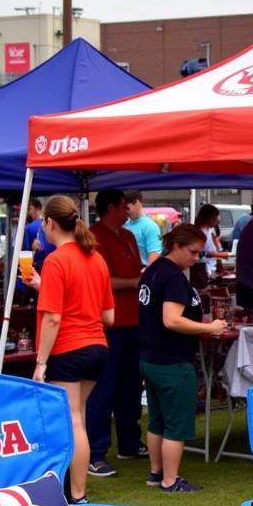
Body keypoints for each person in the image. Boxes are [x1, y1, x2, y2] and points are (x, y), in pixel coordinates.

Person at [30, 195, 115, 506]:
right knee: (74, 418)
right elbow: (109, 316)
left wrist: (41, 362)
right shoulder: (96, 258)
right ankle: (71, 489)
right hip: (97, 348)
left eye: (43, 224)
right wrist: (44, 287)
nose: (42, 229)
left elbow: (53, 318)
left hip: (69, 350)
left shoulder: (56, 260)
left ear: (51, 223)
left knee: (73, 419)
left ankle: (76, 494)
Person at [138, 224, 226, 493]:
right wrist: (208, 328)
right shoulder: (174, 277)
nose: (196, 258)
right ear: (176, 246)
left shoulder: (152, 270)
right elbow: (172, 320)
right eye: (193, 252)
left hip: (151, 357)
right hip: (171, 360)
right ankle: (170, 480)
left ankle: (156, 473)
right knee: (176, 424)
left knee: (157, 420)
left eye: (200, 253)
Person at [84, 189, 146, 479]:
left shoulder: (129, 236)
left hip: (133, 320)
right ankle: (95, 453)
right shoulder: (94, 237)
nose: (129, 210)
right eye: (124, 206)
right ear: (111, 208)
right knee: (103, 388)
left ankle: (129, 442)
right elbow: (103, 279)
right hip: (109, 323)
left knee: (131, 386)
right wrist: (136, 280)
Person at [124, 190, 162, 266]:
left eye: (127, 208)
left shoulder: (150, 226)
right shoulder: (125, 225)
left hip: (141, 270)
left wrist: (146, 274)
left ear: (137, 203)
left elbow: (154, 254)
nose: (125, 211)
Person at [195, 203, 230, 279]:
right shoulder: (199, 232)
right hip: (205, 271)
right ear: (209, 218)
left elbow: (215, 250)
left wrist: (221, 269)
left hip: (213, 270)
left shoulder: (211, 231)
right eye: (215, 219)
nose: (216, 222)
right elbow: (202, 254)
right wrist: (218, 255)